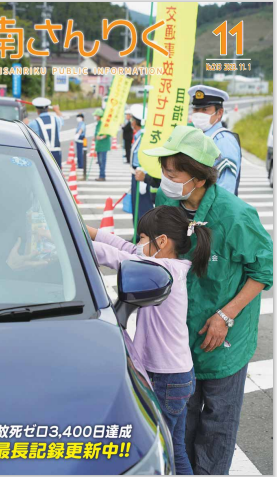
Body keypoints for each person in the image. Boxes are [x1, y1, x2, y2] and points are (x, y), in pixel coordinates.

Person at [143, 125, 273, 475]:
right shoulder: (167, 201)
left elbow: (264, 271)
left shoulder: (235, 215)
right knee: (181, 416)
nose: (166, 178)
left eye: (173, 172)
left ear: (198, 178)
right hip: (179, 335)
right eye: (164, 170)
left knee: (218, 420)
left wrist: (226, 315)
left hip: (224, 337)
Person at [86, 204, 213, 475]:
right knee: (174, 446)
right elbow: (124, 247)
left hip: (167, 378)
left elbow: (117, 257)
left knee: (159, 449)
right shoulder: (167, 262)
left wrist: (72, 242)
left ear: (162, 242)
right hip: (177, 374)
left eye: (142, 238)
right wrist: (90, 231)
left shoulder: (163, 270)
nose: (138, 244)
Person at [188, 85, 242, 196]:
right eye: (196, 109)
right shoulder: (196, 136)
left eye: (205, 109)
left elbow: (226, 191)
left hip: (213, 211)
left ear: (220, 113)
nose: (199, 114)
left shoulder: (224, 141)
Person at [130, 104, 154, 236]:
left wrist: (144, 179)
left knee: (143, 210)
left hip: (142, 175)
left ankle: (145, 237)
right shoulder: (139, 135)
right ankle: (138, 235)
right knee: (136, 207)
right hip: (136, 174)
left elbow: (144, 157)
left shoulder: (144, 136)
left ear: (135, 122)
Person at [28, 97, 64, 168]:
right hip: (56, 153)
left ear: (37, 110)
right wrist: (57, 110)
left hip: (43, 153)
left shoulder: (34, 123)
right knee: (57, 176)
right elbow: (62, 119)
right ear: (48, 109)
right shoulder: (56, 120)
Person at [93, 108, 111, 181]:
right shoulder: (98, 123)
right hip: (99, 146)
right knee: (99, 161)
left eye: (96, 115)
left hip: (103, 146)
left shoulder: (104, 123)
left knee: (102, 161)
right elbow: (96, 133)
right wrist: (95, 137)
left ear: (99, 116)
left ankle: (102, 176)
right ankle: (101, 175)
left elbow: (108, 134)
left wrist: (100, 137)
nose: (95, 117)